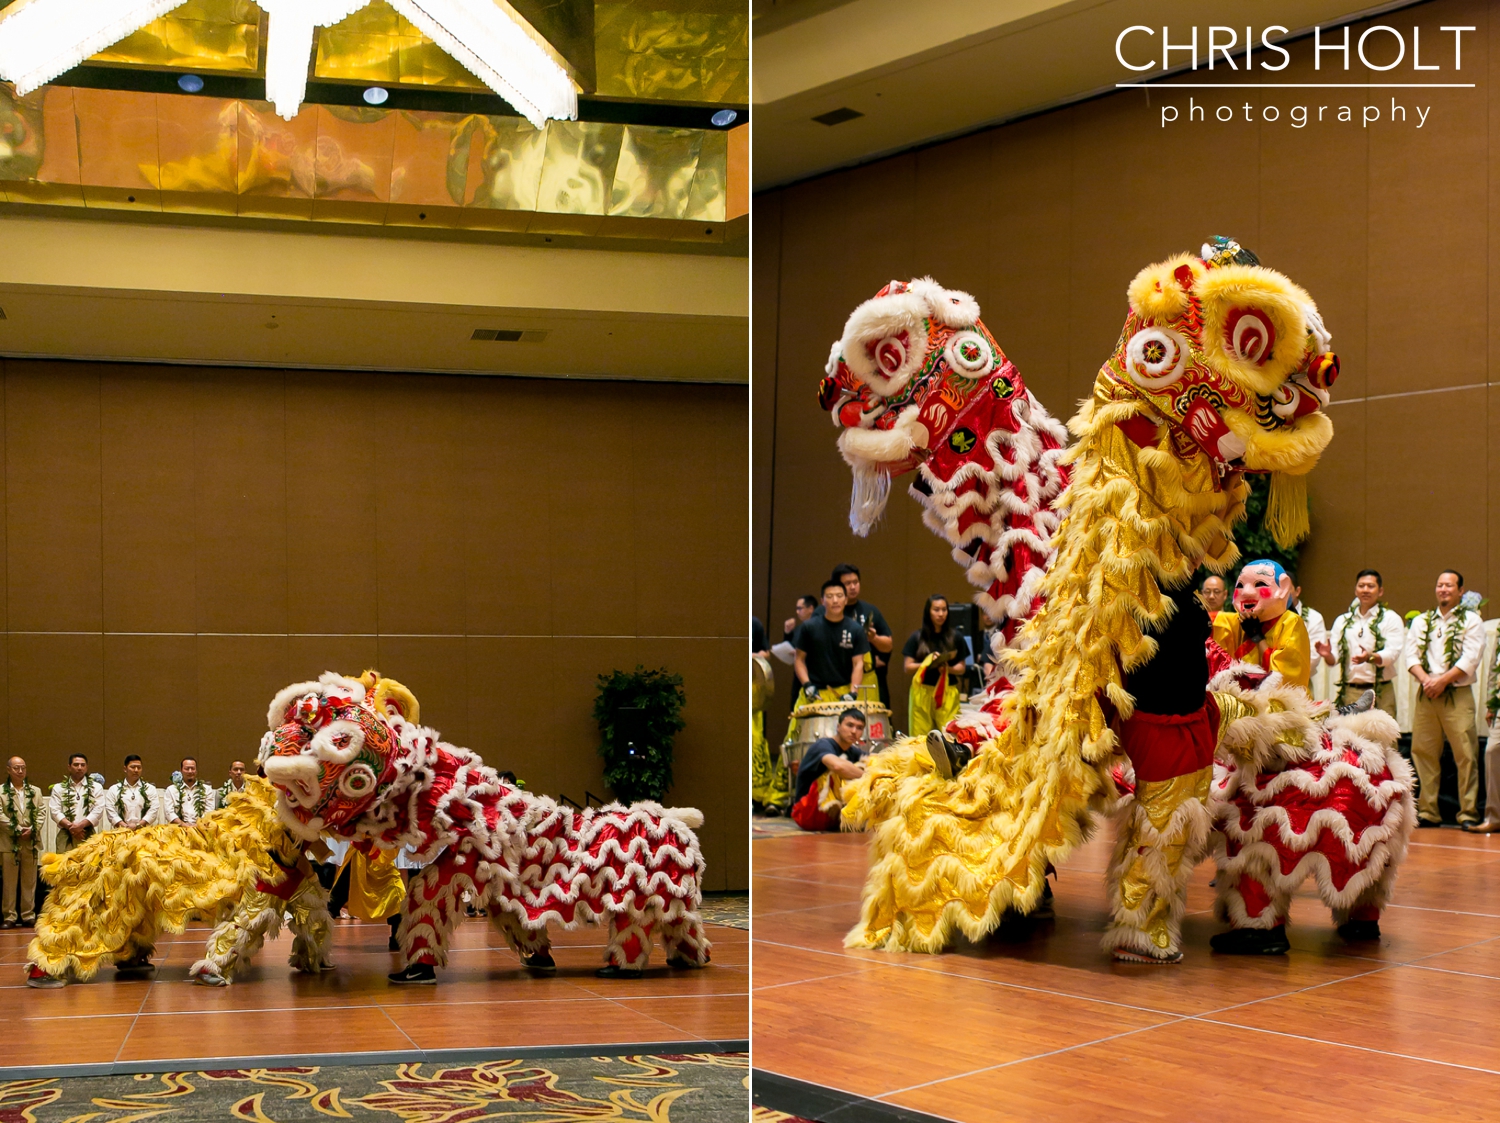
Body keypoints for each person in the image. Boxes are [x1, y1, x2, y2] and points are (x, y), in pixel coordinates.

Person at [1403, 570, 1486, 829]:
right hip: (1427, 692)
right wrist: (1427, 680)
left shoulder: (1471, 620)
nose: (1443, 589)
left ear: (1461, 591)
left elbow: (1470, 658)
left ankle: (1468, 812)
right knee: (1423, 752)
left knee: (1466, 754)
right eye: (1440, 585)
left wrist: (1442, 681)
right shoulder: (1423, 621)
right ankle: (1428, 811)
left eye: (1449, 585)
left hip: (1457, 693)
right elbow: (1411, 655)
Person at [1317, 569, 1405, 718]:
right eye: (1361, 586)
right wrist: (1327, 655)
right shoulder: (1342, 621)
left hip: (1381, 691)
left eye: (1370, 586)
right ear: (1355, 590)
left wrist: (1370, 657)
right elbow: (1335, 658)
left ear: (1380, 591)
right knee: (1350, 738)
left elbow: (1392, 653)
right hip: (1351, 691)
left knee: (1383, 739)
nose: (1365, 590)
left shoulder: (1391, 618)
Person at [1211, 560, 1310, 688]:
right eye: (1240, 585)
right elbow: (1209, 622)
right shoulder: (1239, 620)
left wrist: (1257, 637)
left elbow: (1283, 679)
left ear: (1283, 589)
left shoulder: (1291, 621)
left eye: (1260, 584)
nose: (1246, 592)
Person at [790, 708, 867, 831]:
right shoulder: (823, 745)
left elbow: (874, 760)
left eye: (859, 728)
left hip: (828, 820)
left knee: (867, 765)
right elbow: (837, 766)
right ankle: (839, 810)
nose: (854, 731)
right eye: (849, 725)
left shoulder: (853, 751)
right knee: (840, 770)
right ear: (838, 727)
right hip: (807, 812)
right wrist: (870, 777)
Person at [903, 595, 969, 738]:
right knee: (919, 737)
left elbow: (961, 668)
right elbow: (907, 667)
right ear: (928, 612)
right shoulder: (917, 637)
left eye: (944, 610)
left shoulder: (955, 637)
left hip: (947, 692)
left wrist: (947, 668)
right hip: (923, 692)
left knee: (949, 736)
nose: (941, 614)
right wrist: (927, 663)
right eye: (936, 610)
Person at [794, 580, 867, 704]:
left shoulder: (856, 629)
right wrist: (807, 685)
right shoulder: (809, 627)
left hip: (843, 694)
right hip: (814, 693)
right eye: (829, 596)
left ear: (845, 600)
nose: (835, 600)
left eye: (839, 596)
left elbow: (858, 663)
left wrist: (853, 693)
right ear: (822, 601)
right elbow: (799, 659)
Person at [834, 564, 894, 705]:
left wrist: (874, 638)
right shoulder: (827, 613)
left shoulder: (869, 610)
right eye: (847, 583)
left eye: (855, 582)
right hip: (836, 677)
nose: (853, 587)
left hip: (866, 678)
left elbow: (888, 645)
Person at [0, 757, 43, 927]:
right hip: (10, 841)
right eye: (16, 768)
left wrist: (33, 829)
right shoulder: (1, 792)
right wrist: (17, 829)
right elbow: (0, 815)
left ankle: (28, 914)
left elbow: (41, 812)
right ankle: (9, 916)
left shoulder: (35, 791)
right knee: (9, 882)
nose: (20, 771)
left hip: (30, 841)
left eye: (23, 768)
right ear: (9, 770)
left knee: (30, 881)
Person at [48, 754, 103, 856]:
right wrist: (71, 827)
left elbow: (98, 810)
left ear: (86, 767)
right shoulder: (59, 788)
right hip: (66, 833)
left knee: (88, 868)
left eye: (83, 765)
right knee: (64, 868)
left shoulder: (96, 787)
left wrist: (81, 825)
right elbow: (55, 811)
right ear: (69, 767)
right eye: (76, 765)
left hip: (87, 833)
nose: (79, 768)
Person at [99, 755, 160, 831]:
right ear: (125, 769)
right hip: (121, 831)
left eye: (139, 767)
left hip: (144, 831)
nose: (136, 770)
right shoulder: (114, 789)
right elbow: (110, 810)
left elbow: (153, 810)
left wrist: (138, 825)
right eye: (133, 767)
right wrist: (124, 826)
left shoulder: (150, 789)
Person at [162, 757, 217, 825]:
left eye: (192, 768)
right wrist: (183, 825)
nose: (190, 771)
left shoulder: (207, 789)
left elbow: (209, 811)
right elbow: (169, 812)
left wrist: (197, 826)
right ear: (181, 770)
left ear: (196, 771)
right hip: (178, 828)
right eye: (187, 768)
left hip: (201, 828)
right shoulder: (171, 790)